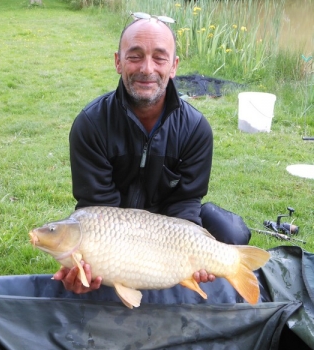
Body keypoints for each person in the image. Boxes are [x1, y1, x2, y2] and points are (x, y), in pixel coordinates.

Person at [54, 14, 250, 294]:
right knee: (87, 256)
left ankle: (214, 270)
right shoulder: (91, 124)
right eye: (135, 56)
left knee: (230, 232)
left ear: (174, 66)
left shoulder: (195, 129)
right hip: (115, 233)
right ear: (118, 61)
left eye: (159, 58)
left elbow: (185, 203)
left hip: (170, 231)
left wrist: (190, 256)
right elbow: (98, 209)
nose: (147, 68)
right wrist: (98, 264)